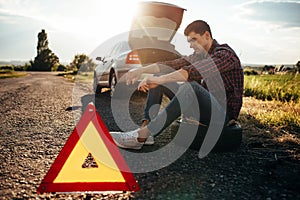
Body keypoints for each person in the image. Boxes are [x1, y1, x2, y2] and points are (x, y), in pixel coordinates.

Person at [111, 20, 244, 150]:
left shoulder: (225, 55)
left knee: (190, 87)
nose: (191, 45)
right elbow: (171, 65)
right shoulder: (200, 55)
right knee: (159, 78)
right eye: (189, 41)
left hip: (223, 117)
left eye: (194, 39)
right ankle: (145, 131)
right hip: (203, 111)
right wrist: (140, 70)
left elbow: (192, 72)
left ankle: (141, 136)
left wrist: (161, 79)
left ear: (207, 36)